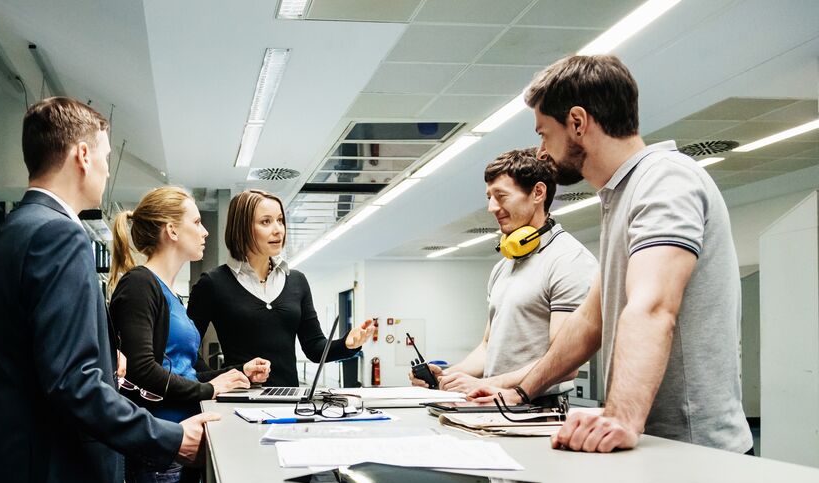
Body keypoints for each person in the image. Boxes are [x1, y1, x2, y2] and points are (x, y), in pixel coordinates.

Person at [0, 97, 220, 483]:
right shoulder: (60, 237)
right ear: (82, 154)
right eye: (104, 155)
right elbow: (72, 384)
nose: (106, 169)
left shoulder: (11, 233)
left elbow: (35, 359)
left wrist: (108, 360)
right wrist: (171, 438)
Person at [468, 55, 752, 455]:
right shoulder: (620, 198)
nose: (542, 151)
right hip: (648, 444)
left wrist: (620, 417)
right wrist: (519, 390)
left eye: (545, 133)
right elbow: (589, 321)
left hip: (694, 448)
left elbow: (652, 307)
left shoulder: (664, 179)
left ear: (578, 123)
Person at [108, 186, 270, 483]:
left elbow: (181, 370)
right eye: (197, 222)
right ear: (171, 231)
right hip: (158, 449)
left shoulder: (170, 294)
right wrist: (208, 390)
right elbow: (142, 370)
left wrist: (232, 374)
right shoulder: (139, 286)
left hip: (182, 442)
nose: (205, 231)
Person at [410, 148, 596, 397]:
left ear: (538, 193)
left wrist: (492, 384)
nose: (491, 207)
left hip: (539, 412)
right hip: (493, 403)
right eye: (489, 196)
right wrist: (449, 376)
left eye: (501, 196)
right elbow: (488, 348)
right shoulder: (504, 266)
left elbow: (565, 362)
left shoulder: (570, 261)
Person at [187, 188, 375, 388]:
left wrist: (348, 343)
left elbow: (315, 349)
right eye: (266, 222)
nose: (278, 229)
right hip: (238, 400)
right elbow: (186, 351)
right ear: (242, 228)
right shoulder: (213, 283)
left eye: (280, 220)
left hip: (288, 399)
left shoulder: (296, 280)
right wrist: (216, 380)